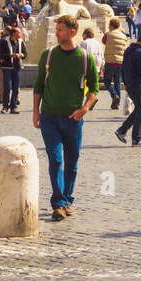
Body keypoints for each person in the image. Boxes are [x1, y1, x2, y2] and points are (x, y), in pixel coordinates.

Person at [32, 14, 100, 221]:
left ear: (72, 32)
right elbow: (38, 85)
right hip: (50, 117)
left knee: (72, 162)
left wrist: (85, 108)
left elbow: (95, 87)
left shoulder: (85, 58)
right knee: (55, 160)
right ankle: (59, 203)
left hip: (73, 118)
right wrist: (36, 111)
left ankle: (68, 199)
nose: (56, 33)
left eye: (60, 30)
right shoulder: (49, 54)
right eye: (56, 29)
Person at [0, 23, 26, 113]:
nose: (20, 34)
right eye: (19, 32)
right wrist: (10, 56)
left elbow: (25, 53)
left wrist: (22, 55)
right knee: (7, 87)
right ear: (13, 34)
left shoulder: (21, 42)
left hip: (17, 67)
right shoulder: (4, 41)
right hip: (7, 67)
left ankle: (14, 106)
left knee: (16, 88)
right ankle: (5, 106)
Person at [102, 17, 127, 111]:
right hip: (120, 62)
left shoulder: (108, 34)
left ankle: (114, 95)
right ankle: (117, 103)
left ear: (111, 26)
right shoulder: (123, 36)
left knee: (107, 81)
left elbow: (103, 41)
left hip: (110, 61)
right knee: (117, 82)